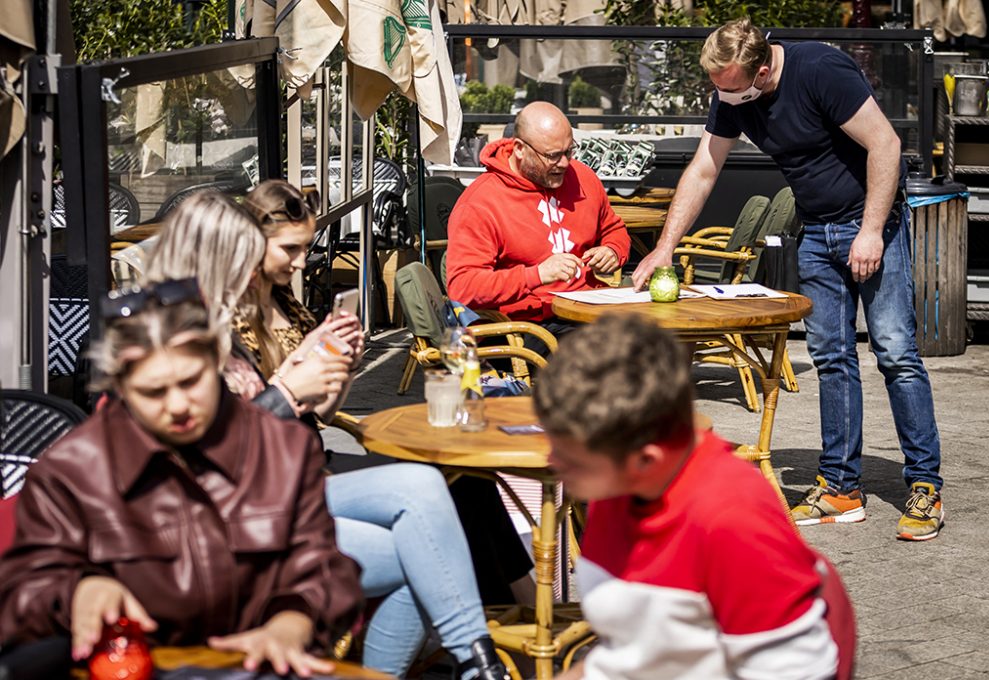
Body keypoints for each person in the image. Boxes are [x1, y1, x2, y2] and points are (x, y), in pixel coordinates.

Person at [145, 188, 511, 680]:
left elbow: (311, 411)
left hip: (294, 479)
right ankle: (480, 658)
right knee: (428, 522)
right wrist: (286, 390)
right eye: (250, 253)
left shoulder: (242, 314)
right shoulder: (176, 343)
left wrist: (335, 369)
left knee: (442, 486)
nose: (278, 266)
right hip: (239, 512)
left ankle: (477, 658)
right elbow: (213, 453)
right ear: (215, 258)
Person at [631, 18, 944, 541]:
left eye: (730, 86)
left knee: (894, 351)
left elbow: (886, 145)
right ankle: (841, 488)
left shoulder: (821, 69)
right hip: (817, 229)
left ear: (763, 70)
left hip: (871, 223)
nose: (721, 96)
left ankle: (925, 485)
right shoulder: (732, 93)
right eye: (716, 85)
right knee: (830, 355)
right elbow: (705, 169)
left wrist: (870, 230)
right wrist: (665, 246)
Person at [0, 282, 363, 678]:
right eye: (152, 392)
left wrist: (293, 621)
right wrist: (77, 591)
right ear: (120, 387)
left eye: (191, 382)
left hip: (258, 667)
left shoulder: (282, 448)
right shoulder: (72, 468)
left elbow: (325, 567)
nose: (177, 406)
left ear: (216, 363)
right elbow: (20, 592)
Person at [533, 314, 855, 680]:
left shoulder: (731, 519)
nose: (551, 462)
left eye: (572, 458)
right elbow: (627, 651)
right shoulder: (619, 487)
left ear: (645, 458)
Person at [446, 101, 630, 343]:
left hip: (587, 309)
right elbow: (463, 287)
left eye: (569, 151)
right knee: (617, 355)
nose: (564, 163)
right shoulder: (480, 203)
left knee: (657, 342)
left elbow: (614, 229)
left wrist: (613, 250)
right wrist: (536, 275)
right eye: (553, 156)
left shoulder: (583, 177)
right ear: (520, 149)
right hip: (524, 325)